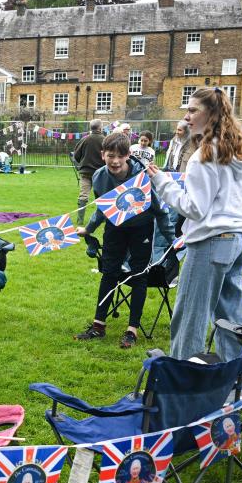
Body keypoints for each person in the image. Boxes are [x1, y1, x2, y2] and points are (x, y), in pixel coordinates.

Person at [148, 87, 242, 375]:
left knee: (190, 317)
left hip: (212, 244)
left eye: (192, 110)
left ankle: (182, 381)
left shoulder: (204, 156)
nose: (186, 117)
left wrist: (163, 183)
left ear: (211, 114)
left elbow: (195, 209)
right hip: (239, 240)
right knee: (232, 317)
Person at [75, 132, 173, 349]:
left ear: (128, 155)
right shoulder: (99, 177)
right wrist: (89, 229)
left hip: (141, 229)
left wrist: (171, 239)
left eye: (120, 156)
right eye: (110, 156)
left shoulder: (142, 176)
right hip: (115, 228)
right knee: (109, 273)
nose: (115, 161)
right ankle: (98, 326)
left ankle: (132, 331)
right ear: (103, 155)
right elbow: (102, 208)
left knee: (139, 276)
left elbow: (159, 210)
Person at [72, 120, 105, 225]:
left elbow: (76, 156)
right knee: (101, 196)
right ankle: (102, 219)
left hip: (85, 173)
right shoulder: (105, 140)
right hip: (100, 173)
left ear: (91, 128)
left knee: (83, 196)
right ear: (100, 128)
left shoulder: (84, 140)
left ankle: (80, 220)